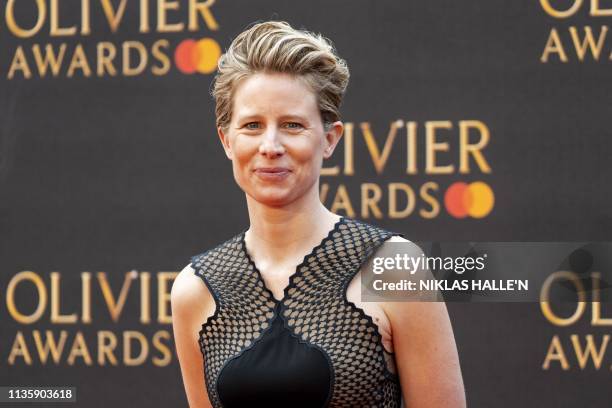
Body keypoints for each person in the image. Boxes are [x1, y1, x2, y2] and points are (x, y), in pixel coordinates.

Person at [171, 20, 465, 408]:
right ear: (227, 140)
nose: (270, 145)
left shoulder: (395, 267)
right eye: (252, 126)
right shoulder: (194, 290)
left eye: (292, 125)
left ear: (329, 139)